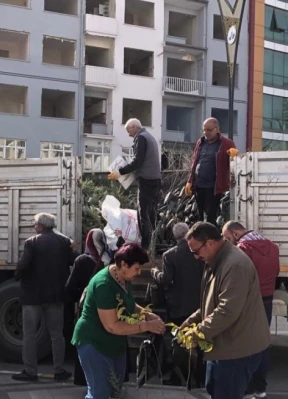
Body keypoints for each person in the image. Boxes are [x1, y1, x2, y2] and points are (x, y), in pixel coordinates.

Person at [181, 222, 270, 399]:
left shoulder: (234, 265)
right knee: (214, 390)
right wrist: (191, 321)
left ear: (210, 243)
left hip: (237, 350)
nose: (195, 257)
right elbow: (211, 301)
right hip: (223, 345)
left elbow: (227, 310)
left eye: (195, 251)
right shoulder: (216, 260)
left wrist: (197, 333)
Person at [72, 243, 165, 399]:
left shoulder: (123, 277)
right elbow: (112, 326)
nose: (139, 272)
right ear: (123, 264)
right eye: (136, 268)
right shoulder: (104, 284)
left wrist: (147, 314)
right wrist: (147, 325)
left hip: (114, 343)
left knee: (115, 389)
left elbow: (129, 303)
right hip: (94, 341)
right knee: (99, 393)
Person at [13, 213, 77, 382]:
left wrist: (17, 276)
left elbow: (23, 266)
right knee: (56, 334)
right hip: (56, 296)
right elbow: (74, 261)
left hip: (32, 295)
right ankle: (59, 370)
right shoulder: (64, 242)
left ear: (40, 226)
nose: (34, 227)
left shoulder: (31, 242)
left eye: (34, 224)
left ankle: (30, 371)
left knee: (30, 335)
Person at [223, 222, 280, 399]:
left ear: (236, 232)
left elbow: (239, 278)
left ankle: (247, 389)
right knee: (263, 343)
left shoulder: (243, 249)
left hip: (250, 300)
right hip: (268, 298)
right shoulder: (272, 246)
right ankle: (260, 387)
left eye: (227, 238)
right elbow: (276, 271)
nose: (228, 242)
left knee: (246, 345)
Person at [66, 228, 126, 386]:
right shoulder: (112, 260)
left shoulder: (83, 260)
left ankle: (90, 384)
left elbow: (70, 289)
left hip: (90, 310)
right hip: (110, 309)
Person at [107, 118, 162, 251]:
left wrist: (120, 172)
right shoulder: (149, 136)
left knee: (143, 213)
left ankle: (145, 246)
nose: (128, 134)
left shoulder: (141, 138)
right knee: (151, 213)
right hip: (155, 179)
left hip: (146, 180)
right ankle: (153, 244)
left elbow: (138, 161)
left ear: (134, 127)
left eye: (128, 130)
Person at [184, 118, 238, 225]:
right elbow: (194, 162)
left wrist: (234, 156)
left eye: (209, 130)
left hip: (214, 187)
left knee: (210, 216)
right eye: (204, 130)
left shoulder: (226, 143)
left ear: (217, 129)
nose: (206, 132)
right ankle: (203, 239)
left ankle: (211, 239)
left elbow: (236, 163)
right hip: (199, 185)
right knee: (200, 216)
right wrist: (190, 181)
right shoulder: (200, 142)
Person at [151, 223, 204, 326]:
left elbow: (166, 279)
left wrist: (155, 272)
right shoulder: (201, 251)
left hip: (179, 306)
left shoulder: (169, 255)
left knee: (180, 336)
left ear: (174, 236)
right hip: (200, 304)